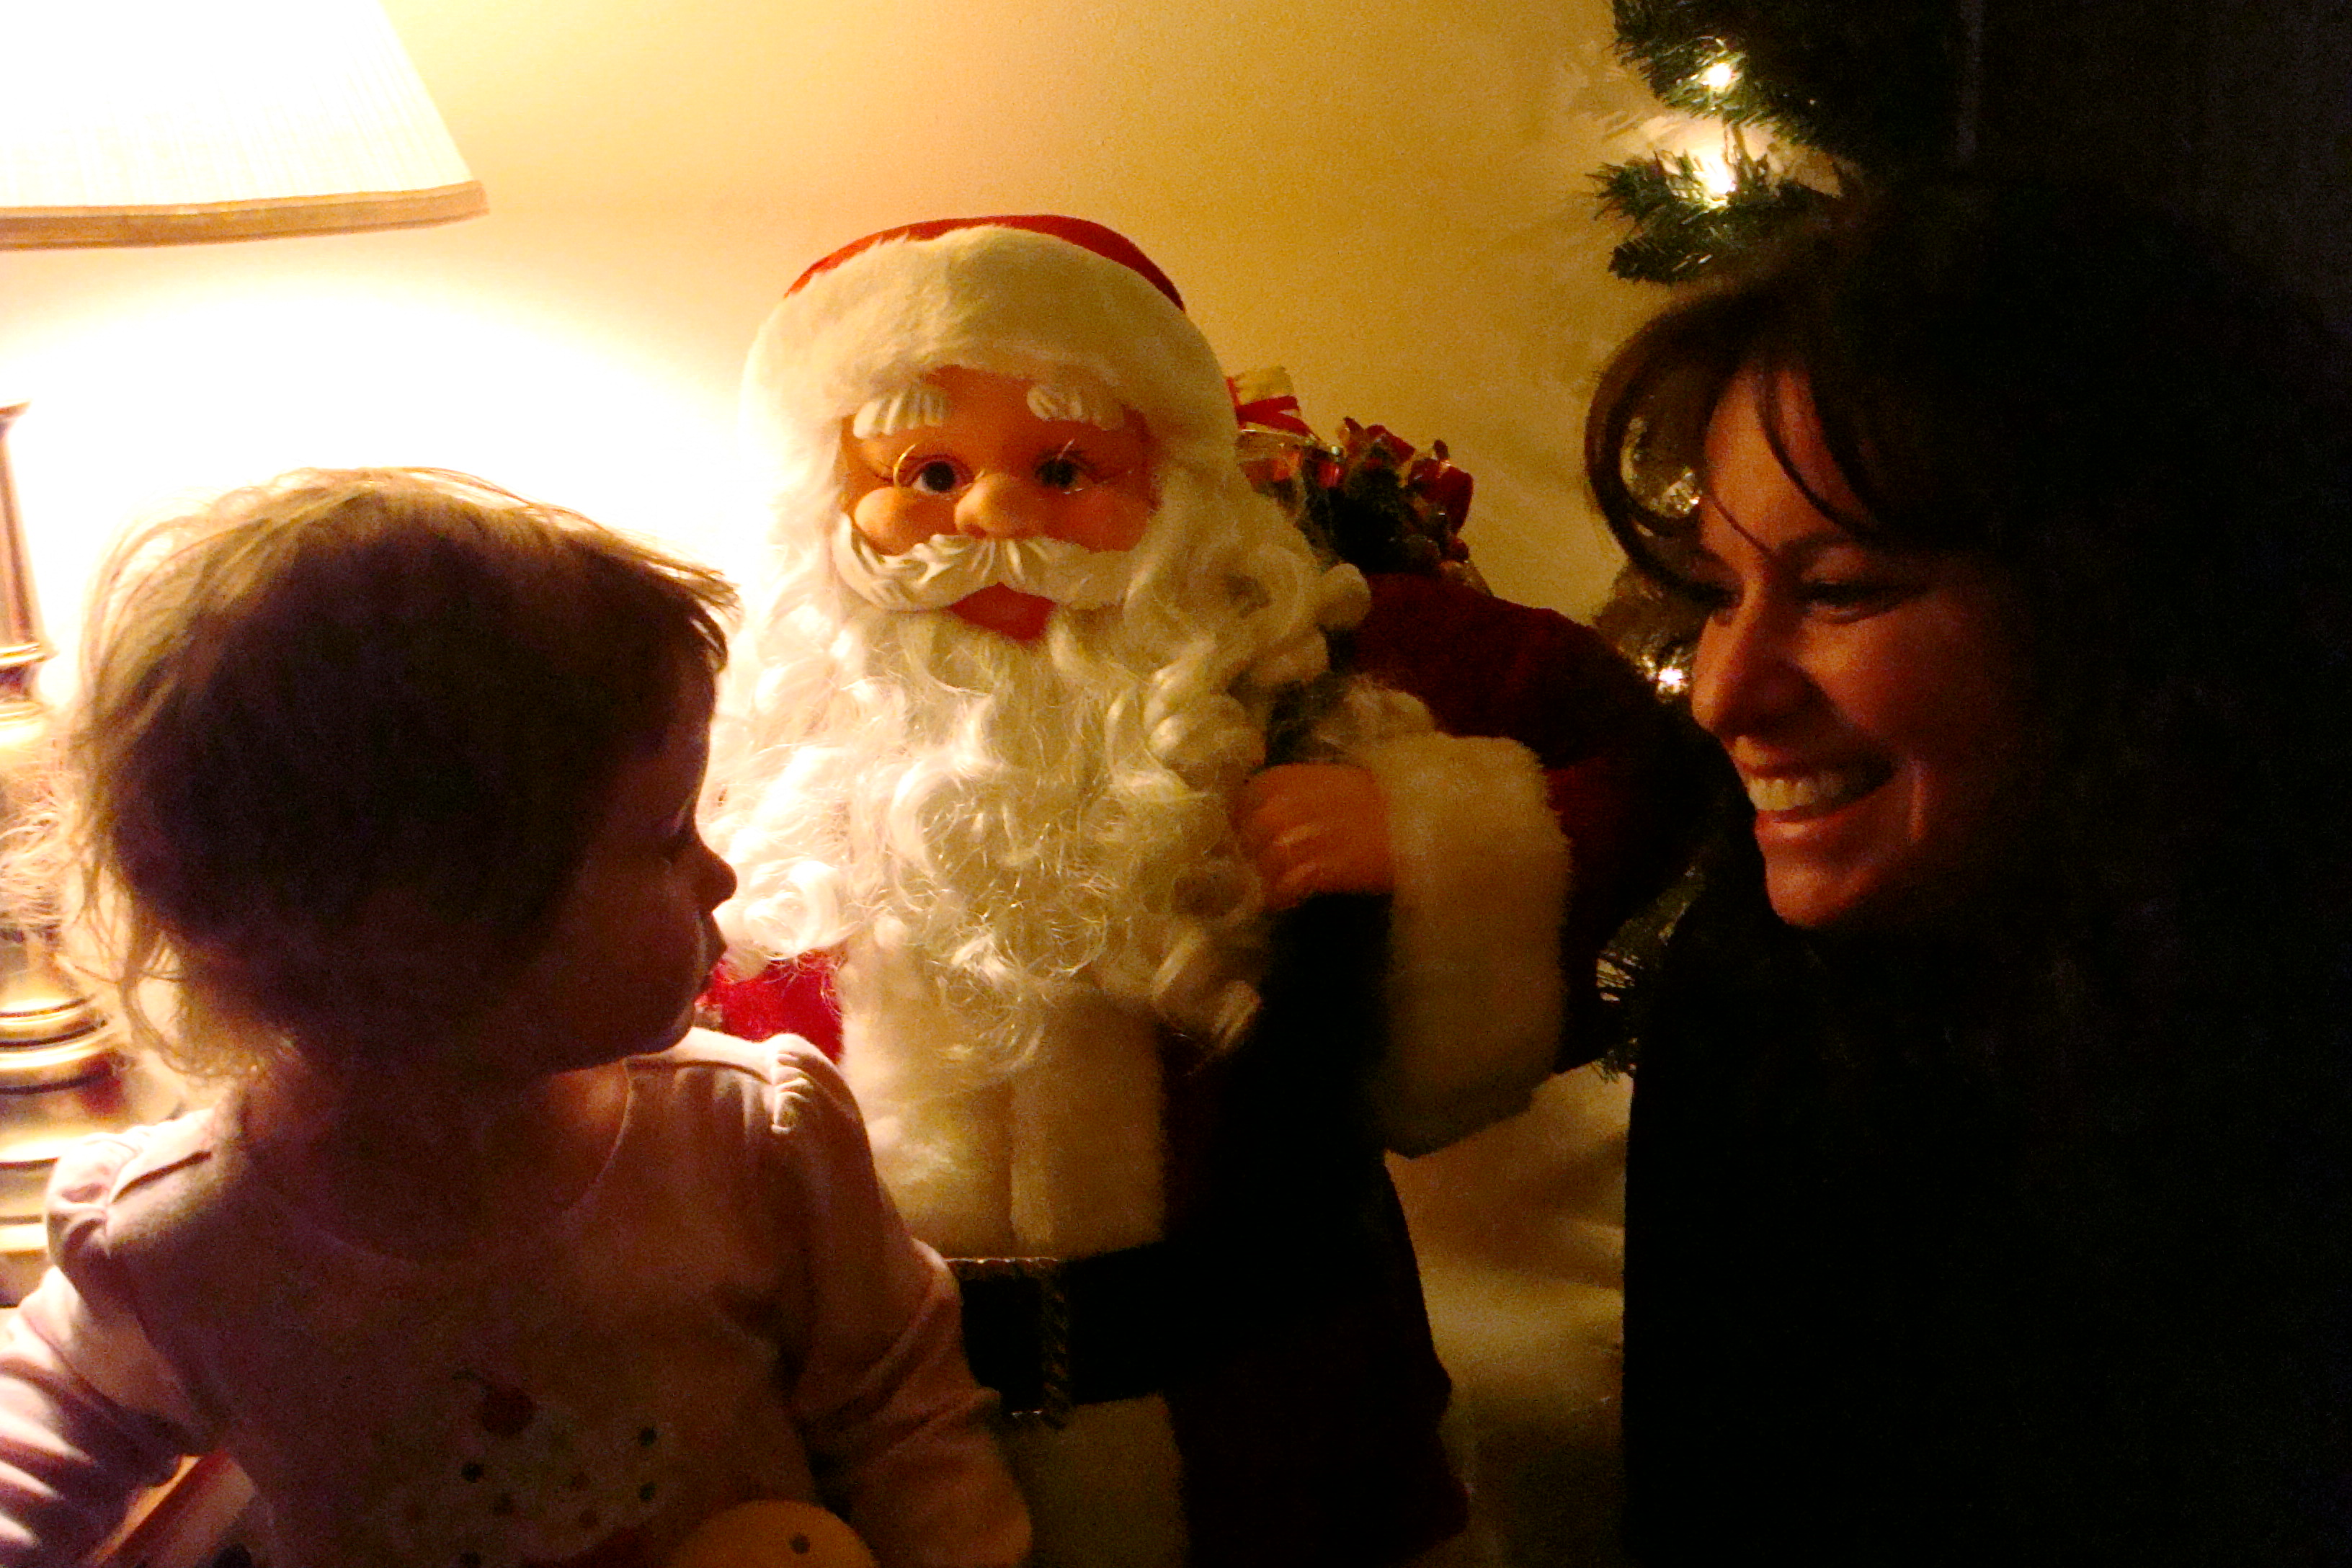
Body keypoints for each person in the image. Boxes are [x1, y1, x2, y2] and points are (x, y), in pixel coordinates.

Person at [699, 215, 1646, 1567]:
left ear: (1178, 487)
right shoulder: (744, 756)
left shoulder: (1302, 669)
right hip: (890, 1462)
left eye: (1064, 469)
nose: (996, 518)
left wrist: (1424, 829)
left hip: (1284, 1435)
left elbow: (1652, 760)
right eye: (929, 473)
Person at [0, 470, 1030, 1568]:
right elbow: (38, 1447)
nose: (720, 877)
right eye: (667, 836)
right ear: (427, 923)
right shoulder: (185, 1247)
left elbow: (904, 1423)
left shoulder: (751, 1143)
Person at [1582, 176, 2352, 1564]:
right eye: (1719, 592)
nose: (1725, 691)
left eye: (1839, 589)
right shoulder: (1757, 1005)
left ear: (2123, 604)